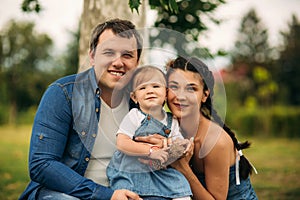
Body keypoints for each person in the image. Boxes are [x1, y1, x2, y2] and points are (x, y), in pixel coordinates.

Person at [19, 18, 144, 200]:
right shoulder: (63, 93)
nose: (118, 62)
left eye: (127, 55)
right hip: (64, 194)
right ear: (92, 56)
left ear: (137, 62)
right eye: (108, 52)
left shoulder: (140, 103)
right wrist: (106, 195)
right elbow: (42, 164)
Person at [166, 56, 258, 199]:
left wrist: (182, 167)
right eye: (174, 86)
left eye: (191, 88)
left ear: (204, 95)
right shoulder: (170, 128)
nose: (181, 96)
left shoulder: (214, 142)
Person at [106, 66, 192, 200]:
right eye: (142, 88)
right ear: (134, 97)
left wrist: (182, 145)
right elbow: (122, 143)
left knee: (180, 187)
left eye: (156, 86)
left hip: (159, 170)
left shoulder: (172, 120)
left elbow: (177, 143)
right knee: (126, 192)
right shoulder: (134, 116)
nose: (150, 91)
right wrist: (151, 150)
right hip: (131, 170)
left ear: (166, 92)